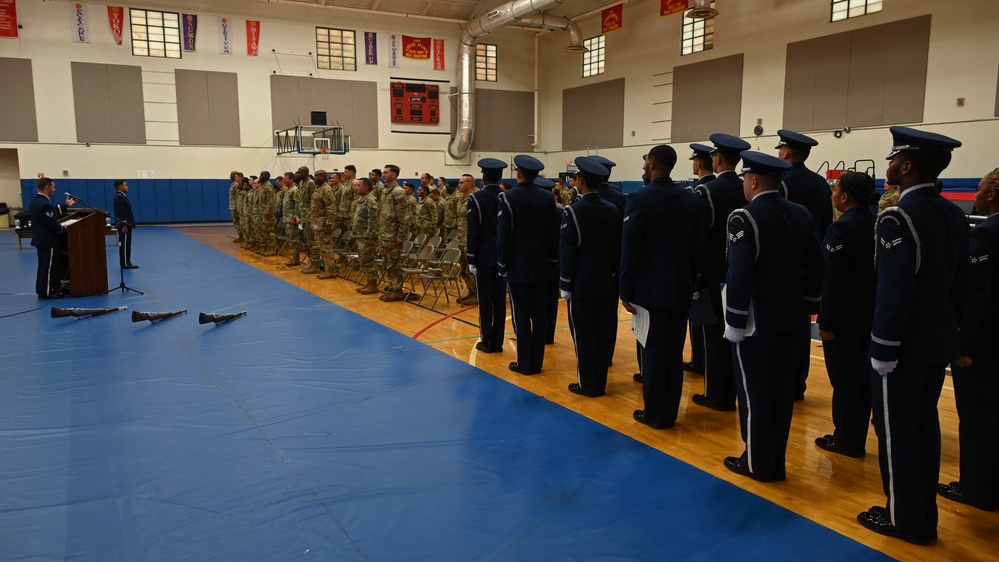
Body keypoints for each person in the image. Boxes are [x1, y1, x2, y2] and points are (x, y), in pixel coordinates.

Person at [858, 126, 967, 546]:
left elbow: (894, 289)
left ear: (906, 166)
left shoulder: (897, 216)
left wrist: (883, 346)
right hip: (935, 341)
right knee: (924, 428)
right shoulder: (953, 213)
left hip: (900, 346)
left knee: (897, 432)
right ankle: (923, 515)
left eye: (893, 158)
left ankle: (904, 518)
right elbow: (960, 284)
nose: (888, 165)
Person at [722, 151, 823, 482]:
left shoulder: (745, 217)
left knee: (755, 393)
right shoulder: (801, 213)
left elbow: (739, 275)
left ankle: (756, 461)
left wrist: (735, 321)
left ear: (752, 182)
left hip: (757, 320)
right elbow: (816, 265)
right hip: (793, 318)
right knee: (781, 394)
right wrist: (809, 305)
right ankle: (773, 459)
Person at [620, 145, 704, 429]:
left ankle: (656, 413)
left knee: (653, 352)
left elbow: (631, 247)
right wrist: (693, 281)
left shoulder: (639, 198)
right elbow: (696, 247)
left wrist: (625, 288)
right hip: (680, 285)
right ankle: (669, 410)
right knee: (674, 352)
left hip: (649, 288)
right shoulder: (689, 199)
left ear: (652, 164)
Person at [937, 167, 999, 513]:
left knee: (977, 416)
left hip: (984, 340)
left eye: (979, 189)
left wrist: (962, 345)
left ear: (991, 194)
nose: (974, 195)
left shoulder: (987, 233)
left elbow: (975, 296)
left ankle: (977, 487)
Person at [815, 172, 877, 459]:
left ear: (845, 196)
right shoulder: (876, 221)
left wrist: (825, 322)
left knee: (844, 381)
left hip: (844, 319)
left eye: (835, 190)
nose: (832, 195)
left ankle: (847, 438)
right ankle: (855, 435)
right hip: (870, 314)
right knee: (862, 380)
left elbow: (834, 281)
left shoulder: (840, 229)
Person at [691, 134, 751, 412]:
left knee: (712, 336)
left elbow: (699, 237)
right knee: (738, 337)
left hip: (712, 275)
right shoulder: (748, 187)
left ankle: (716, 393)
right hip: (740, 272)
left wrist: (696, 275)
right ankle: (733, 391)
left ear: (716, 159)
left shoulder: (707, 191)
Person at [774, 129, 831, 400]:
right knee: (801, 328)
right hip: (813, 260)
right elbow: (826, 224)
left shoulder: (781, 183)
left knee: (780, 328)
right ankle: (798, 382)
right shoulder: (821, 183)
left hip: (786, 263)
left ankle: (782, 382)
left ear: (785, 153)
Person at [560, 157, 621, 397]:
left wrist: (565, 283)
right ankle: (601, 383)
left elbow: (568, 250)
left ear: (581, 181)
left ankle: (587, 383)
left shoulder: (573, 211)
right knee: (602, 332)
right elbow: (616, 248)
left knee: (583, 334)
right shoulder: (612, 209)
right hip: (606, 280)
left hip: (581, 282)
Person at [497, 155, 558, 375]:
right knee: (539, 316)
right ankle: (537, 362)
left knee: (521, 316)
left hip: (517, 265)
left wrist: (502, 264)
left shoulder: (508, 197)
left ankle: (525, 362)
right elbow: (553, 234)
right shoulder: (547, 197)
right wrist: (552, 260)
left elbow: (504, 234)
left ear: (518, 174)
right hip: (542, 265)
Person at [467, 158, 507, 353]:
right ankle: (498, 341)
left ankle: (486, 339)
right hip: (502, 256)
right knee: (500, 300)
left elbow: (473, 230)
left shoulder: (476, 199)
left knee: (485, 300)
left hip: (483, 256)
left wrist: (471, 258)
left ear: (483, 177)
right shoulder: (506, 196)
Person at [683, 143, 716, 375]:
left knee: (703, 324)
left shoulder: (702, 191)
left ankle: (700, 362)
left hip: (706, 266)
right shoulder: (735, 187)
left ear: (699, 163)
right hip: (726, 265)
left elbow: (698, 233)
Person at [30, 177, 77, 299]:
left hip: (40, 239)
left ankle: (41, 290)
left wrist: (66, 206)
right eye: (53, 187)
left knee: (43, 266)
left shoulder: (36, 201)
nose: (55, 189)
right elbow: (52, 223)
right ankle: (47, 293)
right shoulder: (44, 204)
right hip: (48, 241)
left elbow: (50, 213)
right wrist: (64, 229)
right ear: (47, 187)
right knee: (49, 267)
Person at [377, 164, 414, 302]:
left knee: (394, 264)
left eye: (386, 172)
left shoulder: (398, 192)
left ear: (393, 175)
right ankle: (393, 287)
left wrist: (401, 235)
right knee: (387, 263)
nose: (383, 175)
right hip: (385, 234)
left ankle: (398, 290)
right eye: (383, 172)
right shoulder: (387, 191)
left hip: (393, 235)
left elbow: (404, 216)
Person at [352, 177, 381, 295]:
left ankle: (373, 285)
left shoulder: (371, 200)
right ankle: (369, 282)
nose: (356, 187)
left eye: (359, 185)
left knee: (369, 261)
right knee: (364, 261)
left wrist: (371, 236)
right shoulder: (362, 199)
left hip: (366, 236)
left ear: (366, 187)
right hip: (360, 235)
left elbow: (373, 220)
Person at [456, 174, 478, 305]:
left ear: (470, 184)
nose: (459, 184)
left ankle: (476, 294)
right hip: (461, 238)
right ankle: (471, 292)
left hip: (470, 238)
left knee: (471, 269)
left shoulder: (475, 198)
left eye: (462, 182)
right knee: (463, 269)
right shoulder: (461, 199)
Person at [111, 179, 138, 269]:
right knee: (125, 245)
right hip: (124, 225)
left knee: (126, 244)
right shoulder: (119, 197)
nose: (127, 186)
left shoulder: (122, 196)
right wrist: (124, 225)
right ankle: (126, 263)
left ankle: (126, 262)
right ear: (119, 186)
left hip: (126, 224)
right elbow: (121, 213)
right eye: (125, 185)